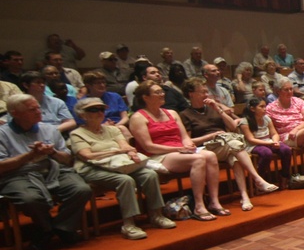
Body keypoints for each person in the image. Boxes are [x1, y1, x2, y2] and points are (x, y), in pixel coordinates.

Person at [69, 97, 177, 240]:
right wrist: (116, 151)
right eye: (93, 110)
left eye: (102, 109)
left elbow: (126, 146)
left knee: (149, 174)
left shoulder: (112, 129)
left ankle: (156, 215)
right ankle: (129, 224)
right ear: (82, 115)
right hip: (92, 169)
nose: (100, 112)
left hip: (120, 165)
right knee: (125, 180)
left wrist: (130, 152)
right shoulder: (77, 134)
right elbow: (88, 155)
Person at [0, 94, 91, 250]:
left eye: (38, 107)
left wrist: (53, 152)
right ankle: (46, 229)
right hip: (18, 174)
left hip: (52, 169)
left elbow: (67, 159)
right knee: (30, 199)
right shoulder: (2, 134)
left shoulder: (49, 129)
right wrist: (29, 156)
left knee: (81, 189)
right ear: (15, 113)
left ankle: (59, 228)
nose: (38, 111)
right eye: (32, 109)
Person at [129, 80, 226, 221]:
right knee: (198, 159)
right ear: (145, 97)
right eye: (157, 92)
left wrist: (189, 145)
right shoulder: (138, 117)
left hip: (179, 151)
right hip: (157, 155)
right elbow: (148, 146)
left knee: (210, 155)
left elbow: (185, 137)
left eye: (162, 91)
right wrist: (179, 148)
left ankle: (214, 201)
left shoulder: (172, 113)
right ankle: (199, 206)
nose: (163, 94)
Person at [180, 77, 278, 212]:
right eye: (202, 92)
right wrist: (211, 136)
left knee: (236, 157)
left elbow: (232, 127)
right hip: (206, 147)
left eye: (206, 92)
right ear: (191, 94)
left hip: (225, 144)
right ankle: (257, 179)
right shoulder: (185, 114)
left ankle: (245, 197)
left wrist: (218, 108)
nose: (206, 95)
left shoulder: (212, 108)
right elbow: (189, 142)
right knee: (235, 144)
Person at [239, 97, 292, 189]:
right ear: (252, 109)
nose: (265, 109)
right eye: (261, 107)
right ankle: (259, 179)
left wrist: (275, 141)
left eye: (265, 106)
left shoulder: (266, 118)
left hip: (269, 142)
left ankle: (284, 177)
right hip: (254, 145)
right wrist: (269, 144)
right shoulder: (244, 121)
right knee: (266, 153)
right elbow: (251, 139)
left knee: (286, 150)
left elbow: (274, 133)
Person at [66, 72, 131, 138]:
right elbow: (83, 124)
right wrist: (104, 127)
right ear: (88, 85)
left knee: (123, 129)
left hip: (118, 126)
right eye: (98, 83)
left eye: (103, 82)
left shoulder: (115, 96)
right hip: (96, 131)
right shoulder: (82, 103)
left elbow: (125, 117)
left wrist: (115, 126)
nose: (102, 85)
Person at [266, 76, 304, 152]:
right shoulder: (270, 108)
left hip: (302, 133)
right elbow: (268, 127)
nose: (290, 92)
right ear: (278, 91)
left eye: (291, 89)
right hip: (287, 137)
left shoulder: (299, 102)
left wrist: (296, 129)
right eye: (286, 90)